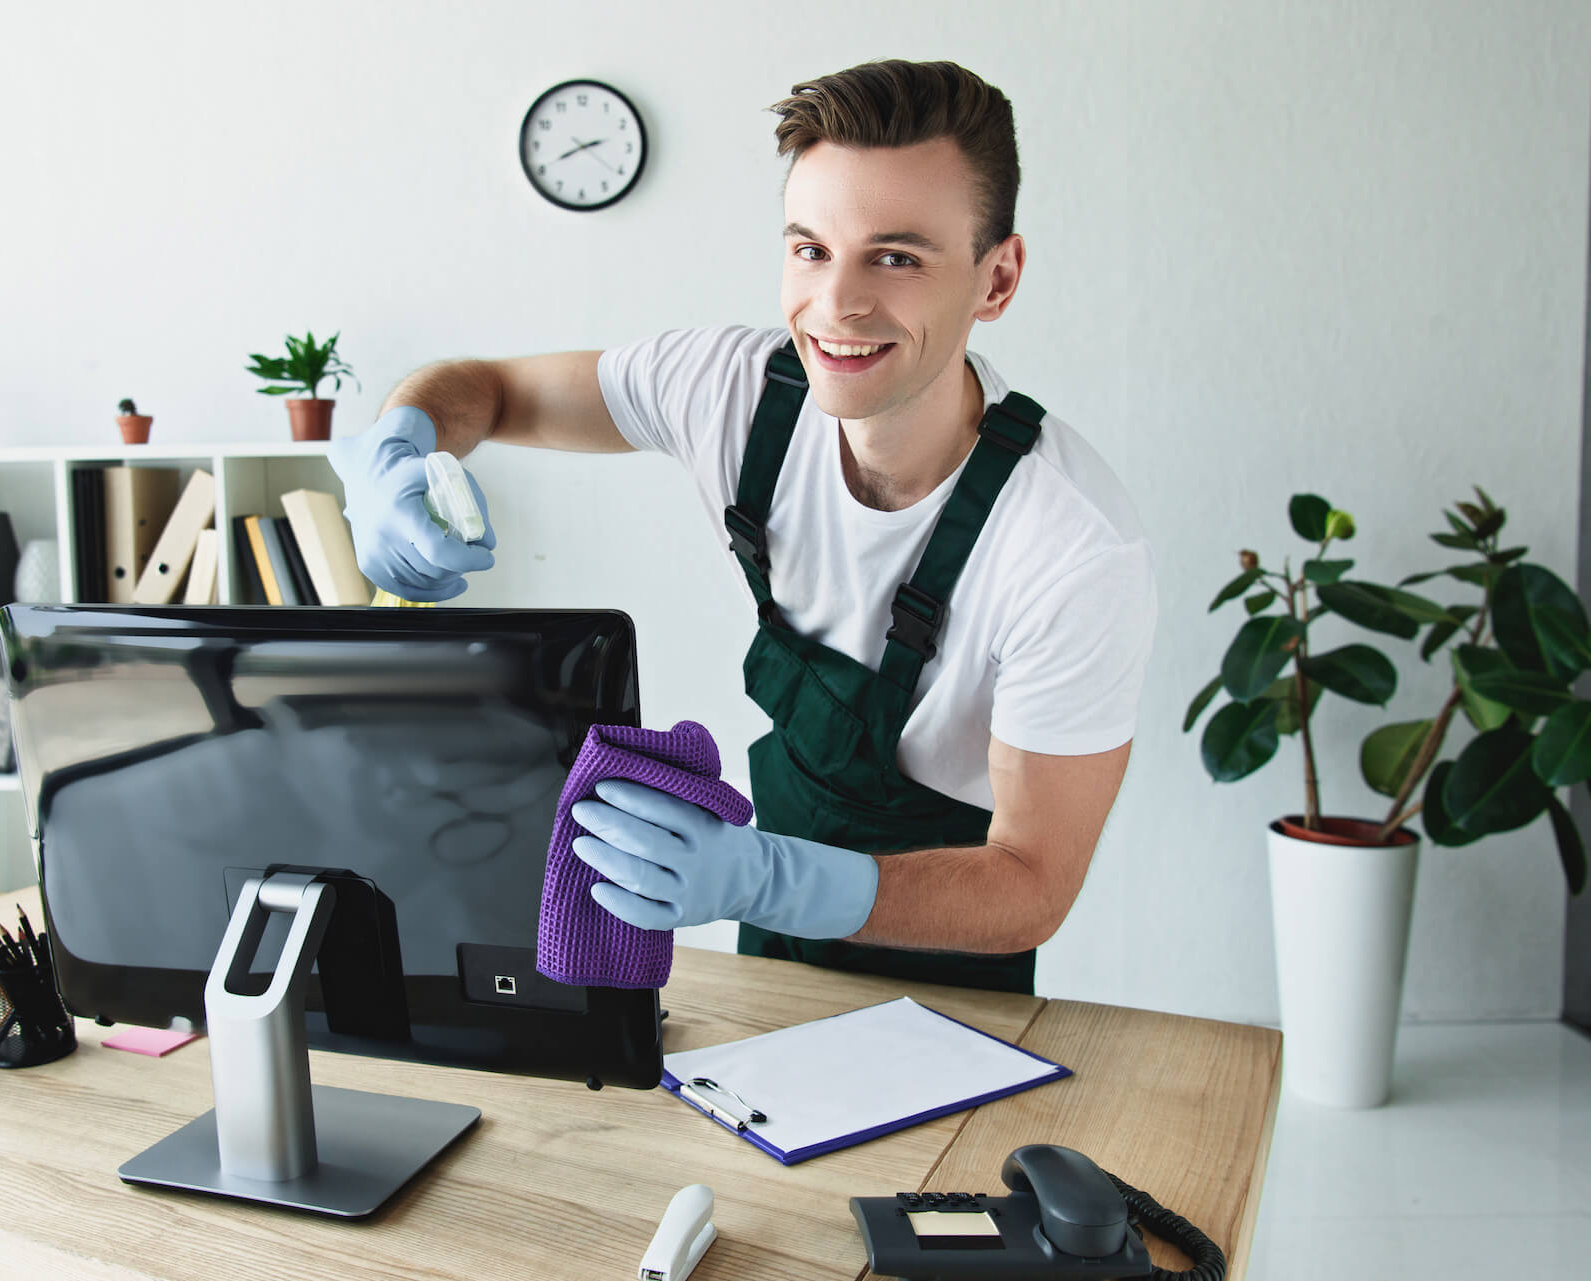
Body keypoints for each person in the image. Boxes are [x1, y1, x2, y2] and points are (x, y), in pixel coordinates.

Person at [330, 58, 1156, 995]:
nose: (836, 305)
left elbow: (1031, 886)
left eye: (896, 257)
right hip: (772, 963)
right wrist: (398, 447)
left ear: (996, 278)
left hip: (959, 993)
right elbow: (484, 388)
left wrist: (764, 874)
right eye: (810, 248)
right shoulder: (732, 394)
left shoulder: (1071, 551)